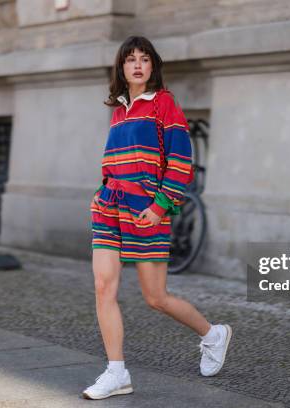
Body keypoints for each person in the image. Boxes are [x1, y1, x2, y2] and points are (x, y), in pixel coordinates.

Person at [82, 35, 233, 400]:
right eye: (130, 59)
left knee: (156, 297)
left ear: (153, 66)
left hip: (147, 211)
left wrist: (161, 205)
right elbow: (114, 161)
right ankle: (117, 372)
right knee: (104, 287)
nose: (137, 65)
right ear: (121, 67)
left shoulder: (164, 105)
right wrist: (102, 190)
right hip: (109, 209)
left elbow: (181, 163)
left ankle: (213, 334)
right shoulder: (119, 111)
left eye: (144, 59)